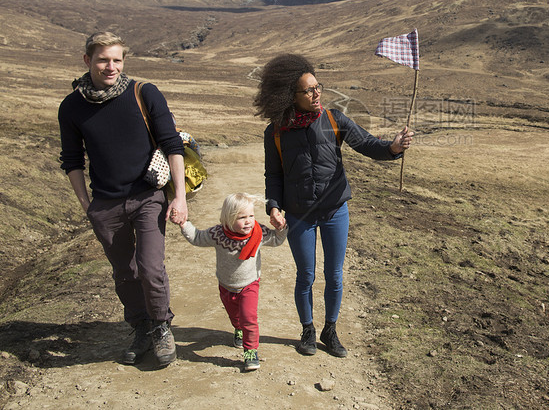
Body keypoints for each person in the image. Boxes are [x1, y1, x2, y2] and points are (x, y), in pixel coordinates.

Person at [253, 53, 413, 357]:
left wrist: (392, 148)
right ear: (291, 95)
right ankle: (308, 331)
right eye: (309, 90)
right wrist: (273, 206)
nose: (316, 94)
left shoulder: (333, 119)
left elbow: (367, 144)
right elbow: (273, 174)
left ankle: (330, 329)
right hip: (299, 215)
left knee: (335, 274)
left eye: (318, 87)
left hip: (335, 210)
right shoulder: (275, 132)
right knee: (306, 276)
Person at [57, 31, 188, 367]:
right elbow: (72, 159)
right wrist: (87, 205)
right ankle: (141, 328)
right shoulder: (71, 107)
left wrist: (180, 198)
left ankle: (161, 327)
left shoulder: (144, 94)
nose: (110, 66)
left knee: (150, 267)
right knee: (124, 273)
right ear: (87, 61)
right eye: (103, 59)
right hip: (106, 204)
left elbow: (172, 146)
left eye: (117, 60)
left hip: (148, 198)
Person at [172, 192, 287, 371]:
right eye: (242, 217)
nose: (248, 221)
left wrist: (281, 228)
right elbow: (197, 237)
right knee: (235, 317)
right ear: (228, 219)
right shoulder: (218, 234)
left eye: (251, 216)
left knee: (249, 318)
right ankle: (237, 329)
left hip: (249, 284)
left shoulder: (258, 232)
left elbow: (277, 240)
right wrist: (183, 223)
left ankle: (250, 352)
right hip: (226, 286)